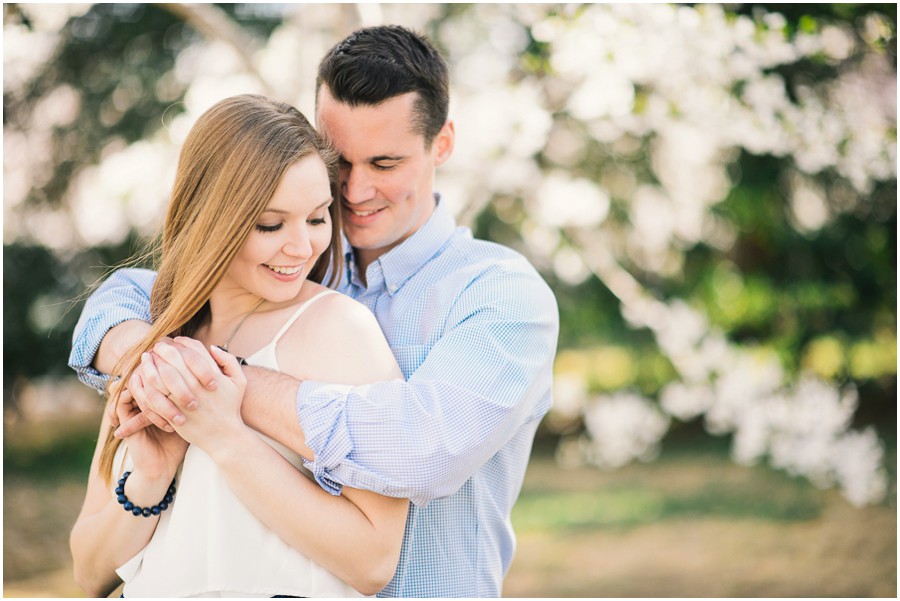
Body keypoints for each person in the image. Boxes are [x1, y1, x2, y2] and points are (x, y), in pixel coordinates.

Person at [70, 25, 559, 597]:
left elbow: (421, 451)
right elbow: (129, 293)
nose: (353, 191)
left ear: (442, 144)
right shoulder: (272, 280)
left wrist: (209, 381)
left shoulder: (498, 295)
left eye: (384, 162)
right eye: (338, 163)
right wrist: (152, 359)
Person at [69, 94, 408, 598]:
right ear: (209, 218)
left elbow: (374, 560)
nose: (302, 247)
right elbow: (88, 573)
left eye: (317, 218)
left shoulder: (339, 331)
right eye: (270, 225)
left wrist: (227, 439)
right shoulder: (157, 343)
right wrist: (151, 478)